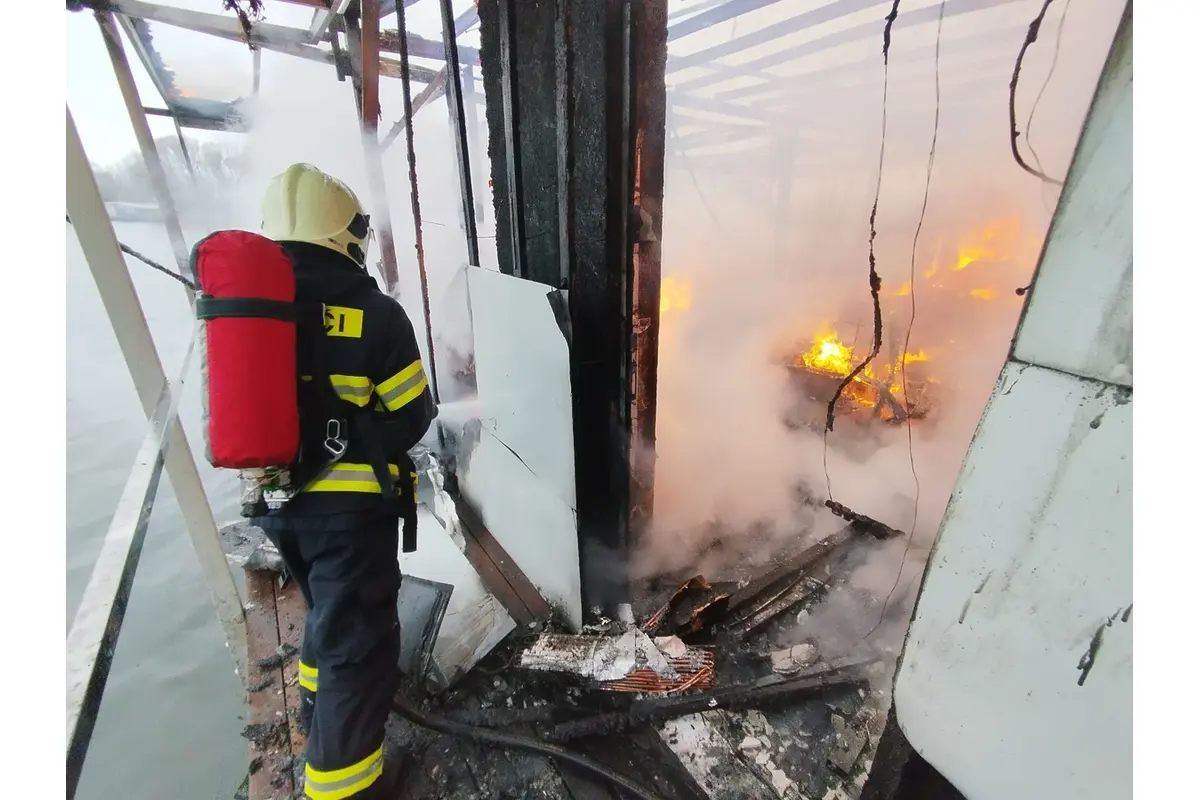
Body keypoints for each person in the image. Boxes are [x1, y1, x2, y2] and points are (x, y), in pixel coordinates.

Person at [253, 163, 433, 799]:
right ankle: (344, 786)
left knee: (326, 608)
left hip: (277, 505)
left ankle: (312, 708)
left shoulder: (258, 310)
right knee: (357, 644)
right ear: (343, 235)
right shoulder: (374, 313)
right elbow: (412, 414)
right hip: (350, 515)